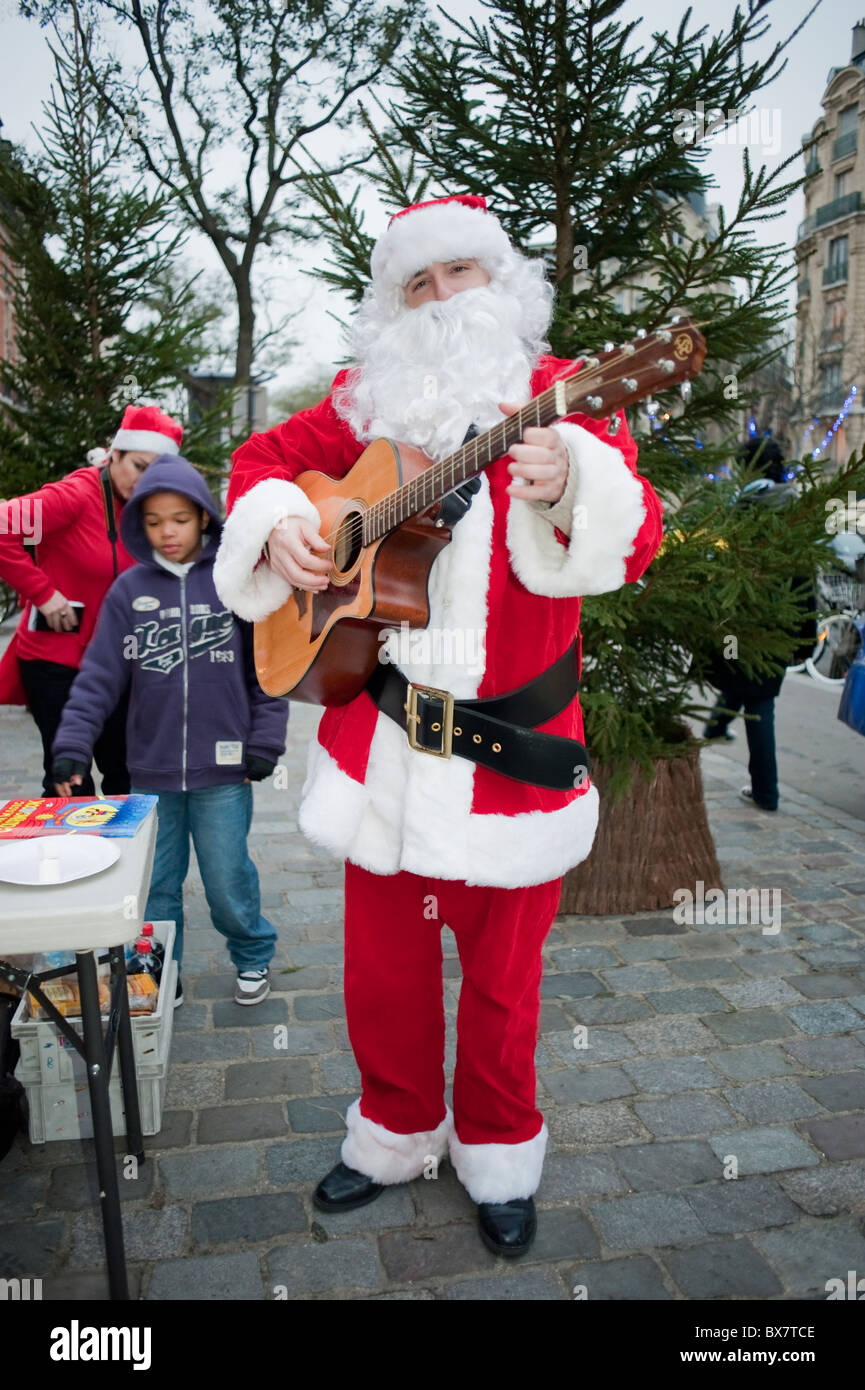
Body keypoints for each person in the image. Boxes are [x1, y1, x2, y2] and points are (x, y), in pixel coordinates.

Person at [213, 193, 664, 1254]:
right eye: (414, 282)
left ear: (501, 284)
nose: (438, 298)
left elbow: (629, 544)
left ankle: (500, 1148)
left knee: (506, 990)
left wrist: (569, 488)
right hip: (382, 756)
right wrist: (281, 528)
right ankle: (394, 1133)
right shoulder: (359, 404)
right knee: (382, 977)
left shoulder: (565, 397)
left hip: (513, 762)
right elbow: (255, 467)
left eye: (457, 273)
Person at [51, 456, 288, 1008]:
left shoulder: (234, 584)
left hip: (224, 772)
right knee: (156, 885)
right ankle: (162, 968)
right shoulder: (128, 592)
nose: (167, 532)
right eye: (154, 521)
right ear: (141, 525)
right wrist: (71, 748)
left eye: (179, 518)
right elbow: (98, 678)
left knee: (227, 878)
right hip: (150, 774)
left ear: (204, 518)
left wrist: (265, 742)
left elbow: (267, 672)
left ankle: (252, 955)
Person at [0, 404, 183, 795]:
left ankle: (123, 856)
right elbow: (3, 528)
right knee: (70, 778)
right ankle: (72, 855)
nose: (144, 479)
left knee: (129, 776)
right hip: (58, 665)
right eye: (138, 465)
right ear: (114, 454)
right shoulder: (75, 496)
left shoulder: (154, 506)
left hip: (120, 664)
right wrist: (43, 593)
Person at [702, 477, 817, 812]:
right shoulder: (791, 536)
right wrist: (804, 643)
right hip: (774, 638)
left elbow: (718, 590)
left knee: (747, 692)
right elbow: (804, 594)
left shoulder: (738, 528)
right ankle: (765, 791)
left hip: (736, 635)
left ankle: (764, 790)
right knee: (758, 702)